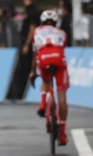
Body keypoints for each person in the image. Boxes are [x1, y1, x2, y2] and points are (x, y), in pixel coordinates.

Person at [29, 10, 69, 145]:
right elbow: (62, 48)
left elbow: (35, 55)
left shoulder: (37, 31)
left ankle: (42, 102)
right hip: (58, 57)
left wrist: (33, 72)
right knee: (62, 96)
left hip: (43, 56)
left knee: (45, 80)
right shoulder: (62, 32)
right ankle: (62, 133)